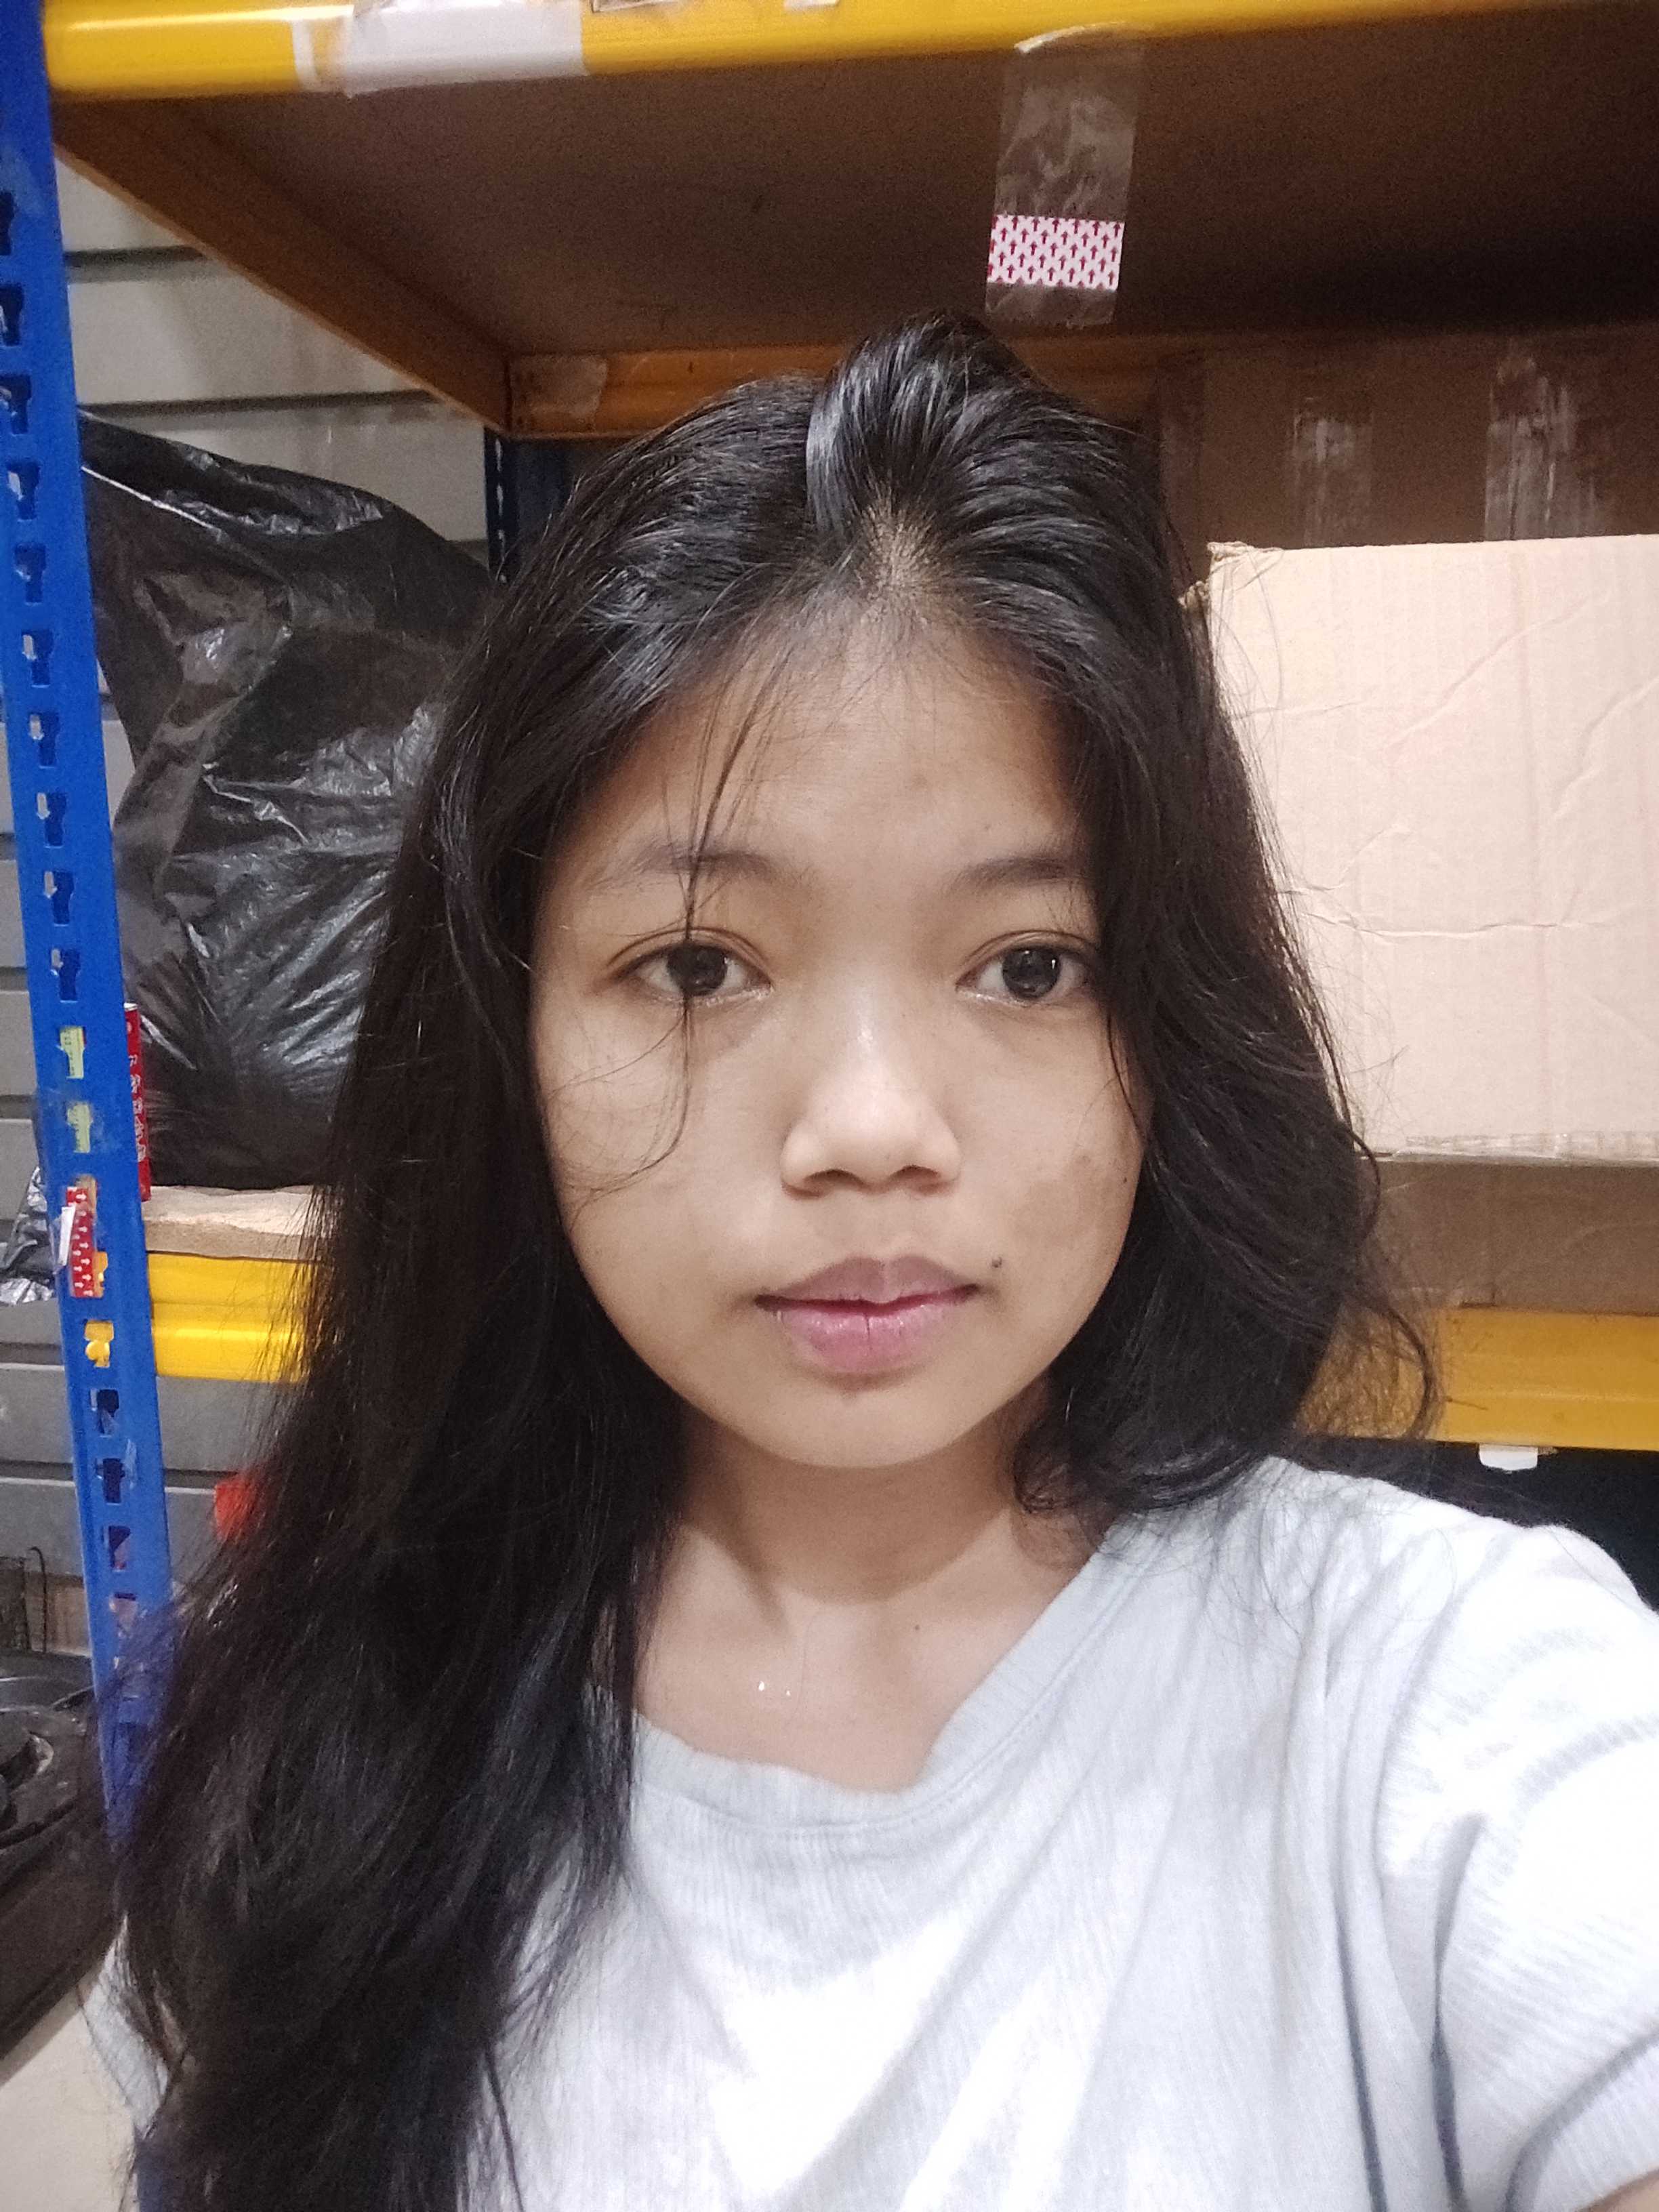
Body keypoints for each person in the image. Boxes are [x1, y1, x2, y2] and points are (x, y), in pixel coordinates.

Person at [87, 315, 1659, 2212]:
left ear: (1168, 1026)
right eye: (697, 966)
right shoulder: (318, 1751)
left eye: (1027, 967)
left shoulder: (1457, 1706)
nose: (870, 1126)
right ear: (506, 1030)